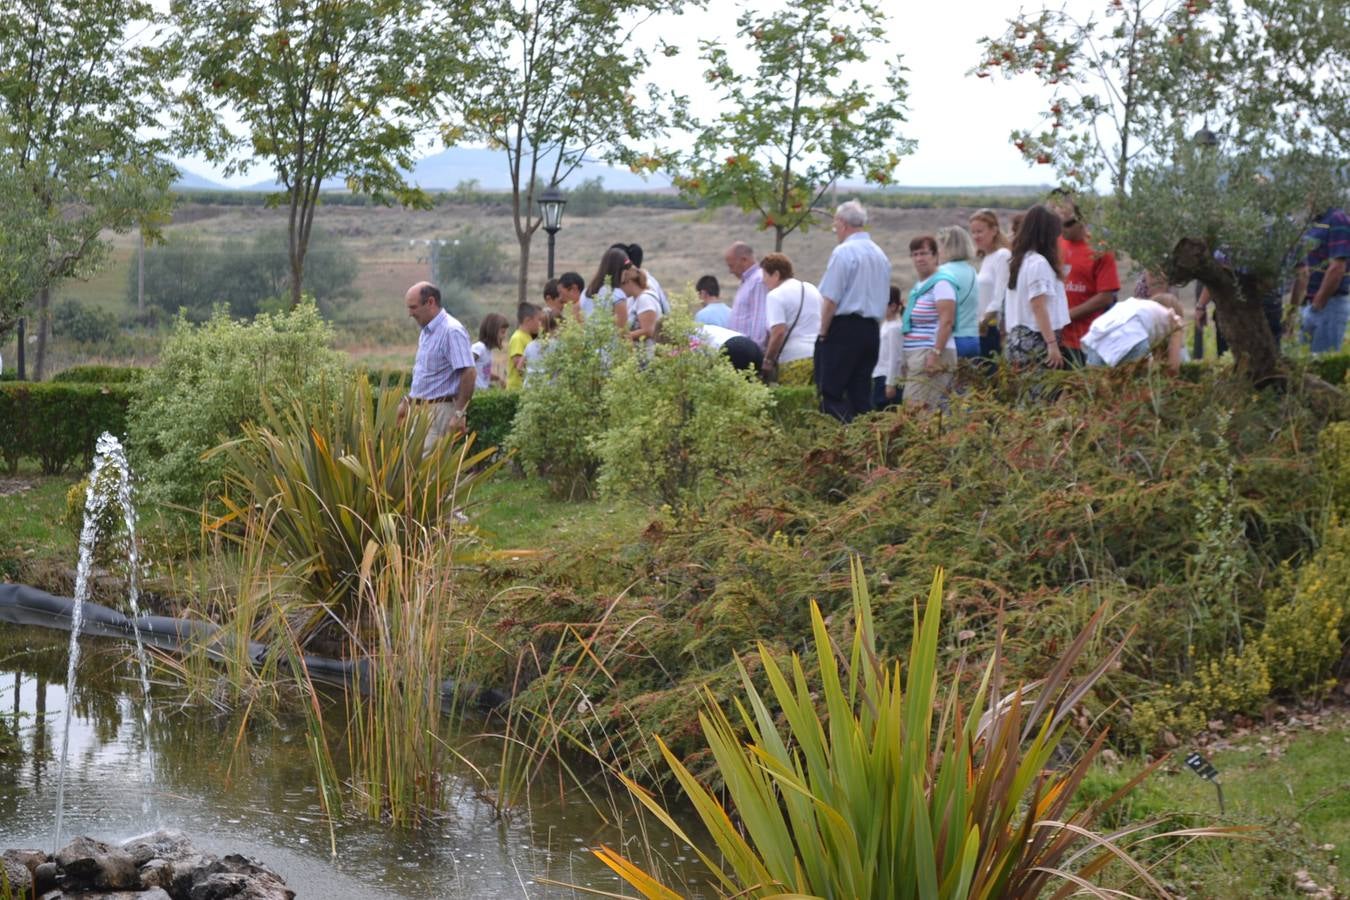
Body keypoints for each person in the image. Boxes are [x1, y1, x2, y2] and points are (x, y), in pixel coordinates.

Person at [816, 199, 891, 422]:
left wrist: (823, 333)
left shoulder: (844, 252)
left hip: (844, 328)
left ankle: (840, 443)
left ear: (841, 223)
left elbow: (831, 298)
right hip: (871, 330)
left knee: (831, 390)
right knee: (861, 394)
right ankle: (867, 444)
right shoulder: (880, 255)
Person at [398, 281, 475, 452]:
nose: (410, 313)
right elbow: (427, 376)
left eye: (413, 307)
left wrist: (459, 413)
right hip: (421, 410)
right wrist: (408, 401)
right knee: (415, 468)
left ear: (430, 302)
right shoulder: (426, 332)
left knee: (429, 471)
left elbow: (468, 372)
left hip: (439, 411)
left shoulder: (451, 331)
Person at [1050, 193, 1120, 363]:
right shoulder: (1055, 244)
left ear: (1082, 220)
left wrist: (1068, 315)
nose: (1062, 229)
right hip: (1055, 339)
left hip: (1086, 339)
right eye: (1058, 223)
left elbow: (1106, 296)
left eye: (1067, 224)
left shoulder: (1099, 250)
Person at [1005, 205, 1070, 374]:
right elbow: (1038, 305)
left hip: (1017, 338)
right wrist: (1051, 344)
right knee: (1040, 397)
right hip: (1036, 340)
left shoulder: (1020, 260)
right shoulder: (1038, 263)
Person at [900, 235, 957, 411]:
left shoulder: (941, 283)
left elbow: (946, 321)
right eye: (915, 254)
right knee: (919, 409)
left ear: (935, 256)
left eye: (924, 253)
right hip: (917, 354)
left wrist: (935, 353)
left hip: (930, 353)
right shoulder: (920, 285)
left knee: (917, 410)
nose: (919, 258)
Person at [1292, 206, 1350, 353]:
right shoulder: (1311, 222)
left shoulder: (1337, 219)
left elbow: (1337, 268)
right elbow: (1302, 270)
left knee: (1320, 367)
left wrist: (1316, 307)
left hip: (1329, 305)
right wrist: (1294, 309)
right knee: (1304, 368)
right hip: (1309, 305)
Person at [1082, 292, 1185, 375]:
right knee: (1142, 388)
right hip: (1130, 336)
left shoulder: (1141, 307)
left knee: (1094, 388)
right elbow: (1173, 369)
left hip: (1098, 333)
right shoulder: (1174, 319)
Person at [760, 252, 822, 385]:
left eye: (765, 275)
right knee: (814, 402)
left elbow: (778, 331)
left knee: (795, 403)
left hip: (794, 360)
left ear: (776, 274)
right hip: (818, 357)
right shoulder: (811, 288)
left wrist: (768, 360)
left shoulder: (775, 296)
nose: (763, 280)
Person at [970, 209, 1012, 358]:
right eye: (973, 232)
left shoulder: (1002, 255)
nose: (975, 236)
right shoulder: (987, 258)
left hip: (991, 328)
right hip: (981, 328)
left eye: (980, 231)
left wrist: (983, 321)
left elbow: (1000, 296)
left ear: (994, 230)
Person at [936, 225, 980, 360]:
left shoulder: (942, 272)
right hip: (972, 338)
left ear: (946, 246)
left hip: (951, 341)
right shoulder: (972, 271)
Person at [725, 241, 769, 350]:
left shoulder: (758, 280)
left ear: (744, 260)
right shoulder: (748, 281)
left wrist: (755, 352)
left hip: (750, 352)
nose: (730, 271)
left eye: (732, 266)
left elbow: (760, 320)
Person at [583, 247, 631, 330]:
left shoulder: (587, 292)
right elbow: (623, 333)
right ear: (619, 269)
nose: (627, 272)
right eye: (626, 268)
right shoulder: (617, 295)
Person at [872, 285, 904, 409]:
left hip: (887, 377)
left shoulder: (895, 328)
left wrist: (890, 383)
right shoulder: (886, 324)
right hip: (880, 375)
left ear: (893, 306)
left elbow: (895, 358)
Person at [618, 266, 663, 347]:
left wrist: (624, 336)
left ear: (629, 281)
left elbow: (649, 330)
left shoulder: (645, 299)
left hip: (648, 353)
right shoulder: (633, 300)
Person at [507, 302, 542, 391]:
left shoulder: (529, 337)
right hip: (517, 389)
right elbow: (519, 365)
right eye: (539, 320)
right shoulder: (517, 338)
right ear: (528, 320)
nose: (540, 323)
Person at [471, 312, 510, 390]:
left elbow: (482, 373)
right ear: (492, 332)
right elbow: (465, 365)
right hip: (475, 393)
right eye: (502, 332)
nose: (504, 336)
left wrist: (498, 378)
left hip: (482, 392)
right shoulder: (479, 348)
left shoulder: (488, 351)